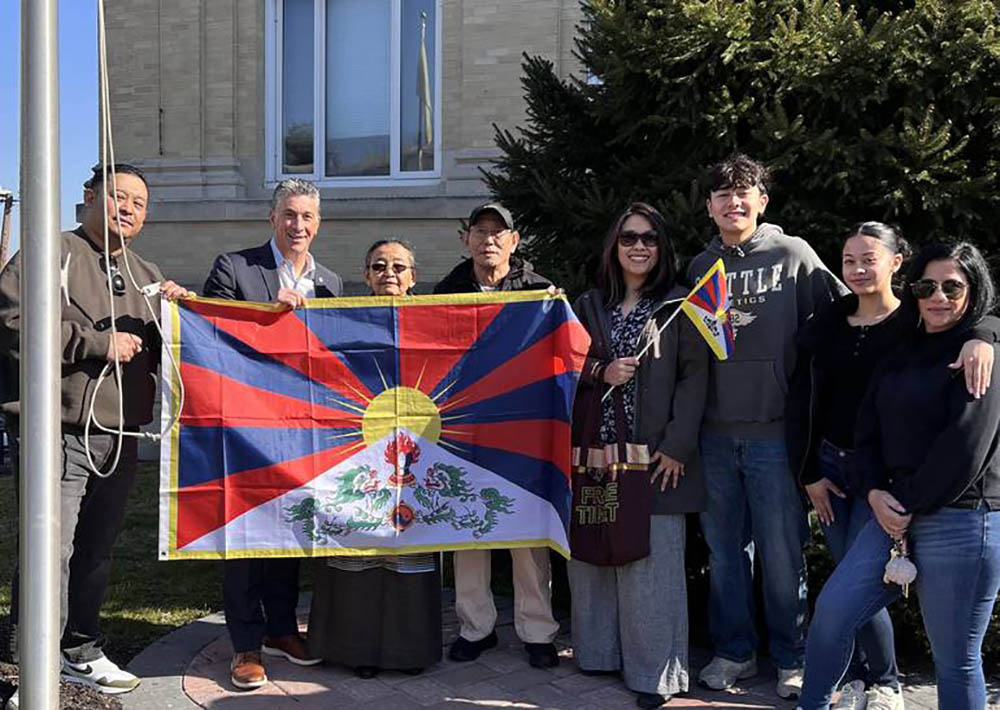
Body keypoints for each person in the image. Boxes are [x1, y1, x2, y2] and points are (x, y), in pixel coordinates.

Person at [0, 164, 191, 704]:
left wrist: (177, 312)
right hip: (56, 431)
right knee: (48, 550)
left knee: (96, 549)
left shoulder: (145, 272)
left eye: (138, 203)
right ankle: (33, 667)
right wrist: (92, 344)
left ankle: (80, 648)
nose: (127, 209)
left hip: (120, 432)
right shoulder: (47, 252)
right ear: (88, 197)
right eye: (118, 197)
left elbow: (173, 347)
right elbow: (11, 321)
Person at [786, 224, 996, 710]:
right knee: (833, 613)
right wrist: (877, 491)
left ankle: (885, 684)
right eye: (927, 287)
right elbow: (868, 430)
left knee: (956, 661)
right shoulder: (900, 348)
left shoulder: (983, 351)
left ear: (974, 290)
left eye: (953, 287)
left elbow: (966, 445)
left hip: (963, 519)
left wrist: (988, 333)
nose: (938, 297)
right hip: (892, 511)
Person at [687, 154, 848, 699]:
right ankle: (734, 653)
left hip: (775, 435)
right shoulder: (698, 268)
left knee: (783, 552)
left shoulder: (793, 255)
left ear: (762, 201)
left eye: (744, 192)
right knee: (725, 552)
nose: (734, 202)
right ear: (709, 207)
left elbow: (844, 314)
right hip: (713, 434)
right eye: (722, 194)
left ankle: (791, 657)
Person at [202, 178, 342, 691]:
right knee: (244, 539)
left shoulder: (330, 283)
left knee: (290, 534)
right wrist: (261, 317)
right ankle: (246, 644)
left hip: (302, 433)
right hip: (242, 428)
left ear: (318, 223)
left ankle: (283, 628)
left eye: (306, 216)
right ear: (272, 218)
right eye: (288, 215)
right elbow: (208, 332)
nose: (297, 225)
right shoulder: (234, 267)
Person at [570, 203, 709, 709]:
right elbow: (565, 363)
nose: (639, 246)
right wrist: (598, 373)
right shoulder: (588, 306)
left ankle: (655, 675)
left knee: (652, 565)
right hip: (595, 454)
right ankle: (599, 653)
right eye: (629, 237)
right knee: (596, 557)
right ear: (614, 245)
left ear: (662, 247)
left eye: (650, 239)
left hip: (653, 458)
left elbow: (696, 379)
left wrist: (677, 446)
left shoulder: (678, 304)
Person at [433, 202, 561, 668]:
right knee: (469, 529)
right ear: (465, 238)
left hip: (523, 428)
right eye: (480, 231)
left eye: (498, 232)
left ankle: (538, 631)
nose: (488, 239)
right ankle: (475, 627)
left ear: (514, 240)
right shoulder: (446, 292)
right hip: (465, 427)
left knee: (528, 533)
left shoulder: (540, 291)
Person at [307, 239, 442, 678]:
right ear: (365, 275)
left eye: (399, 266)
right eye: (379, 266)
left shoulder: (433, 323)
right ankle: (355, 651)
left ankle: (408, 653)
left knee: (408, 551)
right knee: (357, 550)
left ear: (413, 277)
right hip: (354, 448)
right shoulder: (341, 320)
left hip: (416, 454)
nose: (389, 273)